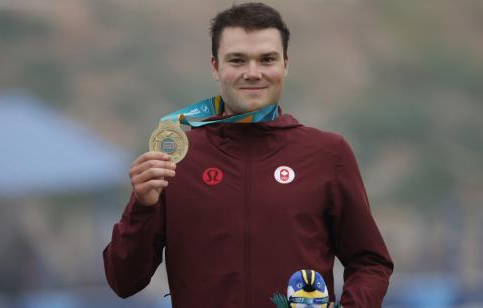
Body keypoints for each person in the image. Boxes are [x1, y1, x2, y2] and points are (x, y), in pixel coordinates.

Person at [103, 3, 393, 308]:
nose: (252, 73)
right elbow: (123, 281)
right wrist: (143, 207)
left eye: (266, 59)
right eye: (237, 60)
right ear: (215, 67)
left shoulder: (327, 153)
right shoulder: (175, 159)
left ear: (285, 65)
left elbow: (371, 262)